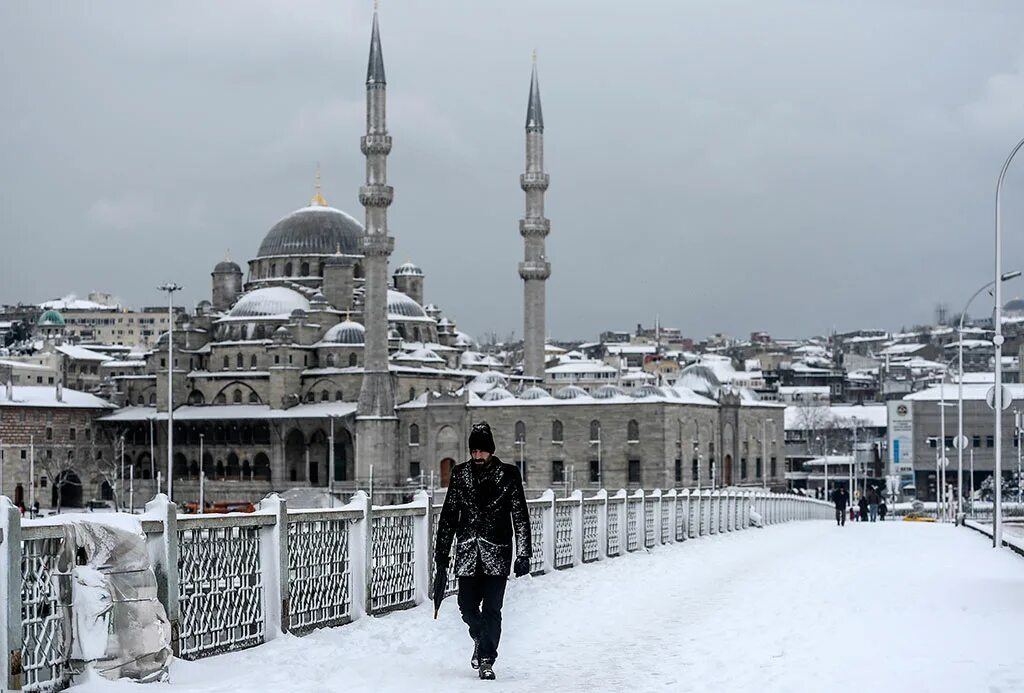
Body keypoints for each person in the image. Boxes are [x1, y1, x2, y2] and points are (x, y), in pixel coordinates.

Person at [433, 422, 532, 681]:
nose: (477, 456)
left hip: (498, 553)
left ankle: (487, 659)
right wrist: (441, 554)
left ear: (490, 451)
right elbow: (449, 515)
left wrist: (524, 553)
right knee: (465, 605)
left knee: (492, 609)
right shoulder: (460, 474)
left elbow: (520, 515)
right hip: (467, 551)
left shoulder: (508, 474)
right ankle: (479, 635)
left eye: (481, 451)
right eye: (473, 451)